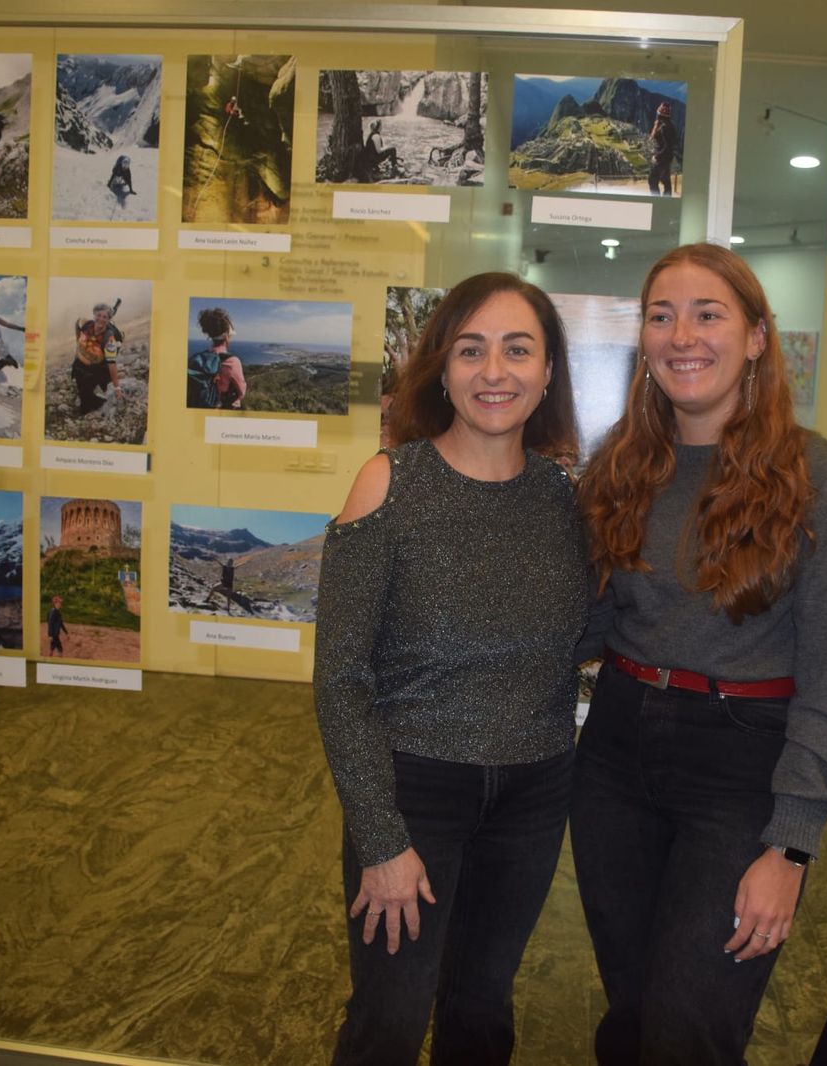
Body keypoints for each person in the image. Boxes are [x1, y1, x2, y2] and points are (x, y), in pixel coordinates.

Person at [571, 242, 827, 1064]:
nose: (682, 335)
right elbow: (585, 629)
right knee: (631, 1013)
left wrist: (792, 845)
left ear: (755, 339)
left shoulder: (816, 475)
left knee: (690, 1027)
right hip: (616, 755)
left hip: (742, 769)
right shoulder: (619, 466)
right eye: (662, 316)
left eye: (709, 314)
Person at [313, 272, 585, 1065]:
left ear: (547, 373)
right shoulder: (388, 484)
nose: (493, 371)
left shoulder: (564, 500)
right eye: (471, 350)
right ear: (441, 367)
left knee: (481, 1014)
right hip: (414, 792)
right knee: (389, 1023)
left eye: (516, 349)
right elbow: (340, 678)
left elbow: (582, 639)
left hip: (534, 794)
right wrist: (379, 835)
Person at [187, 307, 246, 409]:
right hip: (222, 407)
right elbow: (241, 391)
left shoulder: (198, 359)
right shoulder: (232, 362)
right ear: (227, 336)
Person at [72, 300, 123, 415]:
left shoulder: (109, 339)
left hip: (97, 370)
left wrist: (117, 387)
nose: (101, 319)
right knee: (84, 396)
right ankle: (89, 405)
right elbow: (78, 331)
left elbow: (111, 363)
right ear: (94, 314)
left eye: (105, 317)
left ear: (108, 320)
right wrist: (79, 349)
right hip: (80, 367)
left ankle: (101, 407)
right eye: (99, 315)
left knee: (92, 400)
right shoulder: (84, 324)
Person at [647, 102, 681, 196]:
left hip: (661, 159)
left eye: (659, 111)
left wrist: (656, 157)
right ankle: (667, 200)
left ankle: (656, 201)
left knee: (652, 181)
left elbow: (668, 146)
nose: (657, 113)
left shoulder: (664, 127)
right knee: (666, 182)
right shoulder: (667, 124)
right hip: (667, 158)